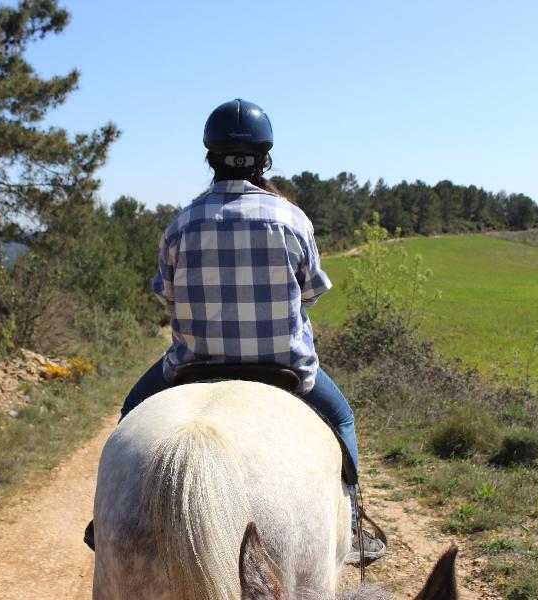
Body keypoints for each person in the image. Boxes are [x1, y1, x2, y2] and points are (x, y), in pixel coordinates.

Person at [90, 98, 385, 565]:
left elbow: (167, 296)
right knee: (343, 418)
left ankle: (103, 521)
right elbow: (310, 294)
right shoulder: (292, 219)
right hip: (285, 369)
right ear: (265, 158)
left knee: (130, 415)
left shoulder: (181, 223)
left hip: (191, 367)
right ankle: (352, 524)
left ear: (210, 157)